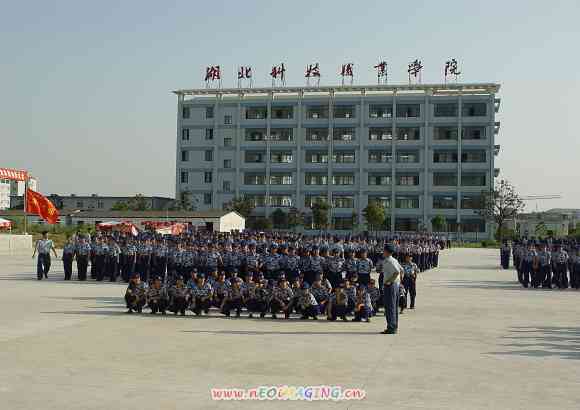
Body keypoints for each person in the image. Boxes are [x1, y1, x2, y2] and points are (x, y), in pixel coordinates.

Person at [377, 244, 403, 334]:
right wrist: (399, 282)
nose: (382, 252)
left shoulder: (390, 261)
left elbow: (397, 272)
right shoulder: (392, 260)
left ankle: (391, 327)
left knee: (390, 306)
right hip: (394, 285)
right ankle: (393, 326)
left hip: (391, 285)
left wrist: (389, 281)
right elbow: (401, 270)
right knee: (393, 306)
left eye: (384, 250)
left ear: (387, 252)